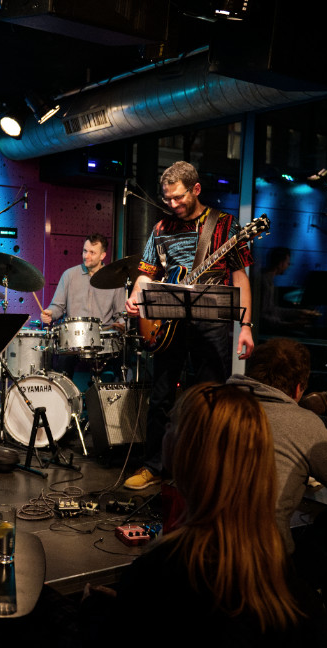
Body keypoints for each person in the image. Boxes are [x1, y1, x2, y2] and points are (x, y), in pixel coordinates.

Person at [116, 384, 327, 648]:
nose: (164, 432)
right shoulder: (296, 597)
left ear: (182, 452)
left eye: (171, 425)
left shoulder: (155, 578)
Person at [123, 160, 254, 489]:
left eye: (178, 197)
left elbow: (240, 278)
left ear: (196, 189)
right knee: (160, 397)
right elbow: (146, 274)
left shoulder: (225, 225)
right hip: (168, 323)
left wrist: (246, 325)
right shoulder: (161, 228)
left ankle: (205, 469)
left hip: (212, 323)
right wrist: (136, 296)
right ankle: (154, 466)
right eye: (167, 198)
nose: (172, 204)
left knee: (211, 399)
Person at [226, 338, 327, 553]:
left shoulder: (210, 405)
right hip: (259, 559)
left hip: (190, 550)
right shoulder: (303, 423)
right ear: (298, 388)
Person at [39, 233, 127, 379]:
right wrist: (50, 313)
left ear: (103, 255)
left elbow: (120, 314)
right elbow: (58, 306)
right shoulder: (69, 275)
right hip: (74, 338)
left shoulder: (114, 279)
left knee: (122, 361)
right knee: (62, 364)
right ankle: (63, 392)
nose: (86, 256)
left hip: (103, 337)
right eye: (85, 251)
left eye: (92, 252)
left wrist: (123, 324)